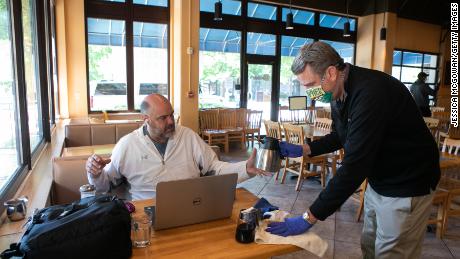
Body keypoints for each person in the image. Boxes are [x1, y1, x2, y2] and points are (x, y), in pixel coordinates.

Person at [266, 42, 440, 259]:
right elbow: (341, 134)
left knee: (393, 253)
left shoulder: (370, 93)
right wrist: (304, 148)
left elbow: (354, 167)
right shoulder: (338, 90)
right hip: (380, 180)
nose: (310, 93)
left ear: (330, 73)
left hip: (408, 182)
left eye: (310, 85)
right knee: (369, 245)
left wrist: (309, 217)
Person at [86, 94, 268, 200]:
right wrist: (95, 174)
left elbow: (214, 168)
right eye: (163, 118)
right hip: (146, 214)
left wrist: (245, 169)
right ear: (146, 120)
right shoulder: (127, 145)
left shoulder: (188, 136)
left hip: (192, 206)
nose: (171, 121)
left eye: (172, 115)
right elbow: (106, 185)